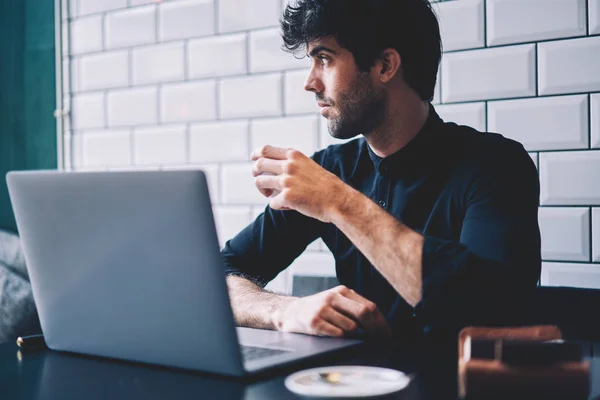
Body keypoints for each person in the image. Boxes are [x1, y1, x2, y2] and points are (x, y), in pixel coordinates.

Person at [222, 0, 541, 345]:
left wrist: (338, 202)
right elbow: (218, 275)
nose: (310, 82)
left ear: (385, 65)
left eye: (324, 58)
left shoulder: (495, 165)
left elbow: (490, 311)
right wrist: (282, 311)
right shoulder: (331, 170)